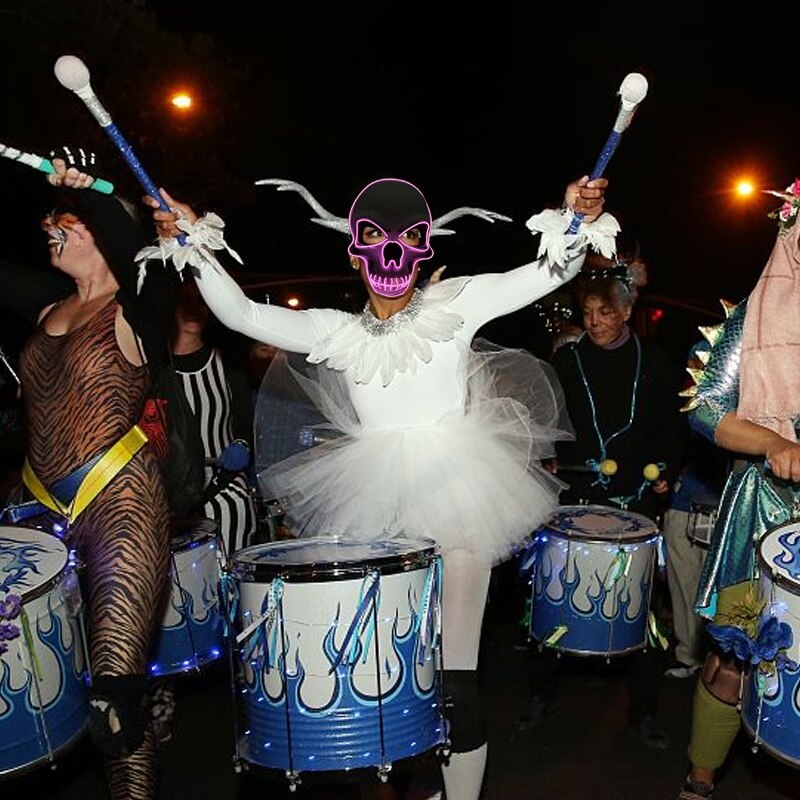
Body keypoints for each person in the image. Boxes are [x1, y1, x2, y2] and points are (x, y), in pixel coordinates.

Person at [142, 172, 616, 800]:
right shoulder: (335, 332)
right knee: (383, 682)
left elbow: (546, 275)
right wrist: (192, 239)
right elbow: (239, 312)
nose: (389, 257)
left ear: (423, 248)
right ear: (355, 252)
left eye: (404, 241)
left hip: (461, 502)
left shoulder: (458, 304)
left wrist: (577, 218)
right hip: (373, 511)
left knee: (454, 682)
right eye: (375, 241)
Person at [1, 153, 176, 799]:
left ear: (104, 233)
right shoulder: (47, 305)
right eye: (49, 219)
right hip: (32, 509)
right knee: (29, 692)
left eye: (64, 220)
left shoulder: (141, 306)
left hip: (120, 505)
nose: (50, 226)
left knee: (113, 702)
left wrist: (94, 191)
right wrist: (61, 194)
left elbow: (135, 254)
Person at [519, 249, 687, 749]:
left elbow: (673, 426)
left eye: (605, 313)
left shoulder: (655, 363)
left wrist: (667, 470)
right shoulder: (567, 360)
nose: (594, 323)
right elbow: (546, 416)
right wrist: (546, 455)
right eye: (588, 314)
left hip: (635, 496)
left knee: (640, 607)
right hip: (575, 494)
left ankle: (644, 711)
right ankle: (540, 692)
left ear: (626, 311)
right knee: (551, 594)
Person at [675, 178, 800, 800]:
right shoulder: (755, 320)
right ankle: (700, 779)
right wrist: (774, 443)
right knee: (731, 661)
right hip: (760, 520)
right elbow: (705, 409)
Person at [169, 277, 258, 556]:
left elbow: (245, 424)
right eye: (186, 302)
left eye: (201, 302)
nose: (195, 309)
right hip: (169, 496)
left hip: (225, 490)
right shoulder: (153, 370)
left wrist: (242, 445)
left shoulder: (227, 365)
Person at [661, 342, 729, 680]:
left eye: (705, 361)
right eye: (694, 361)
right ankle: (688, 656)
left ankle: (721, 660)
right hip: (682, 504)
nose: (697, 367)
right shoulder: (677, 403)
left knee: (717, 588)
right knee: (683, 583)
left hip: (723, 507)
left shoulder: (735, 404)